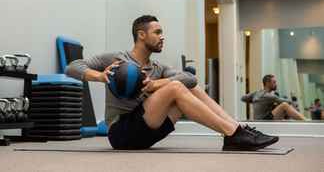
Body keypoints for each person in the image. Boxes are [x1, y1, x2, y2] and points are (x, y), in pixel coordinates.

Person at [66, 15, 278, 151]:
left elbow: (191, 79)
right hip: (121, 133)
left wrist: (156, 85)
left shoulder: (158, 68)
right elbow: (72, 67)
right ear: (141, 35)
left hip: (148, 130)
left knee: (186, 85)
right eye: (157, 32)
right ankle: (233, 134)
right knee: (176, 87)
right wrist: (100, 76)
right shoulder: (116, 59)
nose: (162, 37)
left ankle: (236, 130)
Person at [241, 75, 306, 121]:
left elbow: (243, 98)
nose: (276, 84)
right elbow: (287, 102)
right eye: (274, 82)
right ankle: (305, 121)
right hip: (264, 121)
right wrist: (292, 100)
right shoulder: (269, 96)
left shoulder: (257, 93)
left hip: (260, 119)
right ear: (268, 83)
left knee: (278, 106)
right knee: (284, 105)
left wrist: (255, 100)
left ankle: (300, 119)